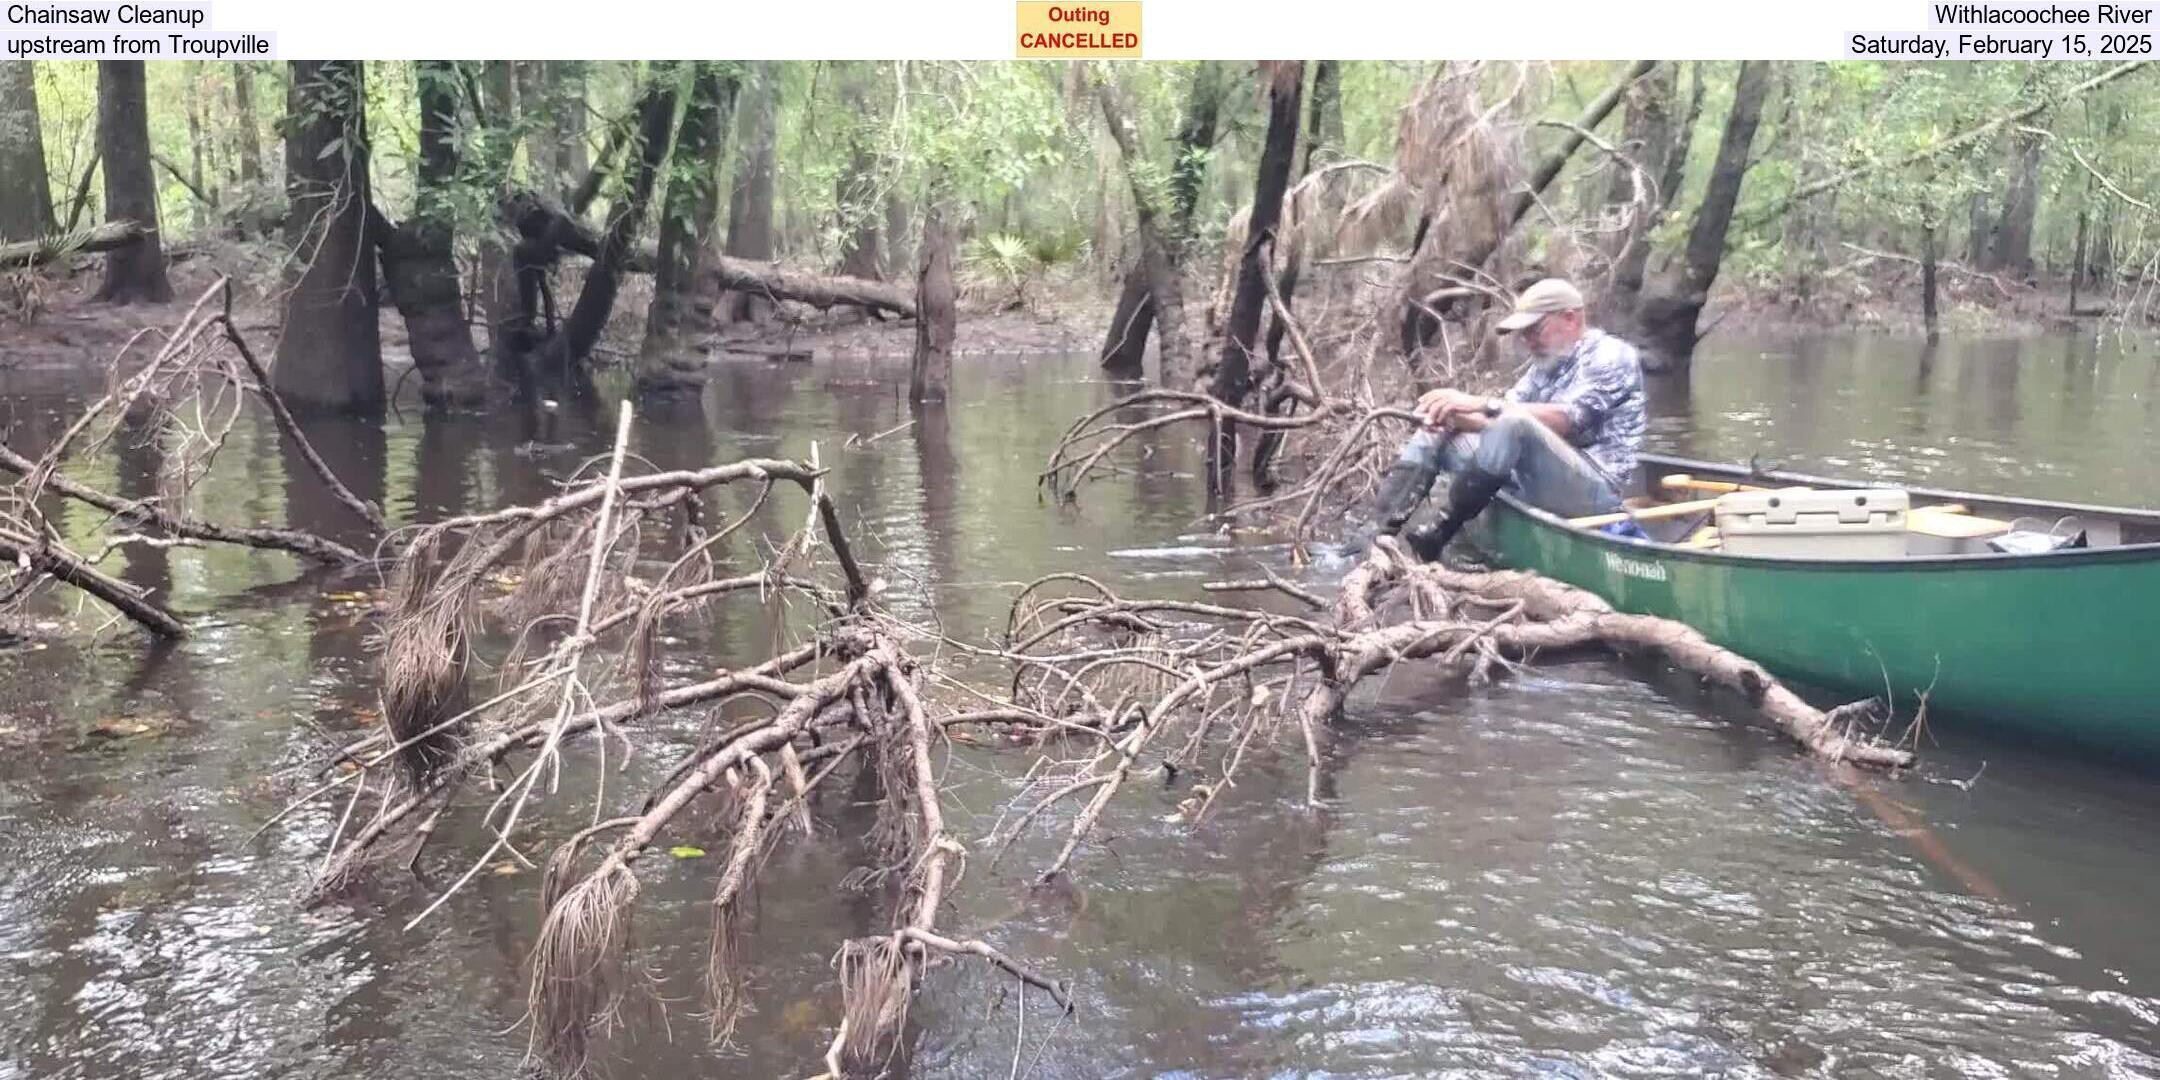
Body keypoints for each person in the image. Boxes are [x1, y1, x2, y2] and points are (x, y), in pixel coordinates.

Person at [1370, 277, 1646, 561]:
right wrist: (1455, 416)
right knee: (1440, 431)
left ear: (1570, 319)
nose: (1528, 342)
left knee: (1513, 422)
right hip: (1542, 477)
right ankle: (1376, 536)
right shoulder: (1545, 365)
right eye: (1523, 334)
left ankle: (1441, 529)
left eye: (1534, 331)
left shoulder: (1613, 356)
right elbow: (1502, 420)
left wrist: (1477, 402)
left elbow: (1566, 420)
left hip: (1597, 490)